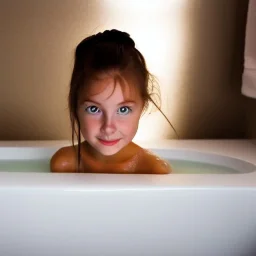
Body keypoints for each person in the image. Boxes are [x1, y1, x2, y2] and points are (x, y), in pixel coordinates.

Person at [50, 29, 177, 174]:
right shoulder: (64, 164)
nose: (108, 128)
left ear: (143, 107)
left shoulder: (153, 170)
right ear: (75, 108)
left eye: (123, 110)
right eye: (94, 109)